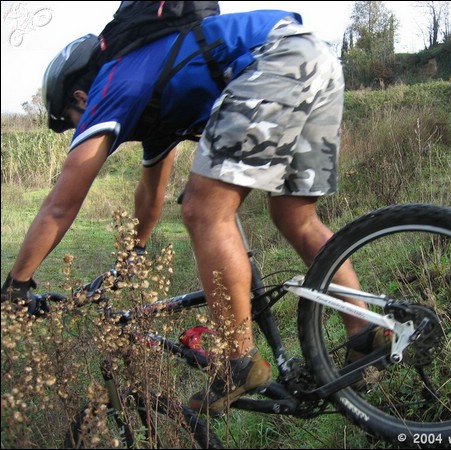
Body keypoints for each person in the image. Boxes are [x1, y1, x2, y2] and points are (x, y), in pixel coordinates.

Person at [1, 8, 389, 415]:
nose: (79, 128)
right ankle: (365, 333)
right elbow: (150, 198)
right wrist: (130, 260)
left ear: (79, 97)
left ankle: (237, 361)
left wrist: (16, 285)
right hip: (311, 55)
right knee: (296, 217)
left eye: (72, 121)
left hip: (273, 61)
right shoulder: (151, 98)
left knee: (204, 211)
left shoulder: (113, 85)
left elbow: (62, 204)